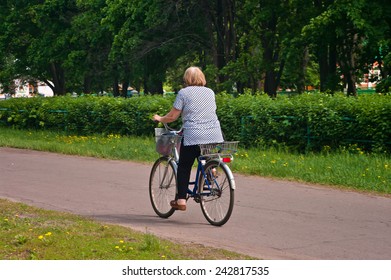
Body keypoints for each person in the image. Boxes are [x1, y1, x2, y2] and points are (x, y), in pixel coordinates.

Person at [152, 66, 224, 211]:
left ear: (187, 79)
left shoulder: (184, 93)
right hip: (214, 134)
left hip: (194, 134)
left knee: (184, 166)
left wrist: (160, 118)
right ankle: (211, 171)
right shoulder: (210, 92)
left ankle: (181, 200)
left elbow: (172, 116)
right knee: (206, 156)